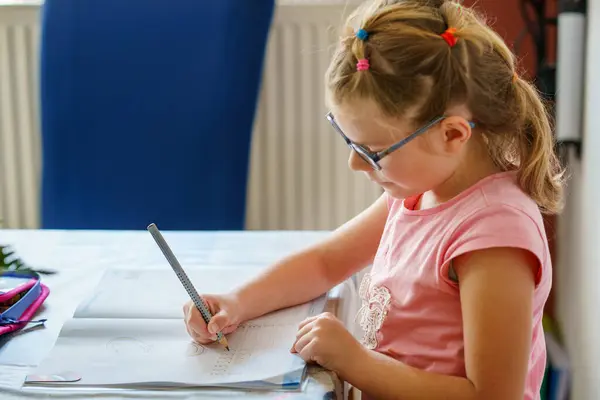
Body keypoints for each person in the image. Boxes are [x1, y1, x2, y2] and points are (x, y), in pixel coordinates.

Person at [183, 0, 564, 398]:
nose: (353, 163)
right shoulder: (419, 192)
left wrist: (356, 363)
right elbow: (325, 262)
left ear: (452, 135)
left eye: (372, 151)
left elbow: (491, 395)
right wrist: (237, 302)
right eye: (350, 142)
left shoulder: (493, 235)